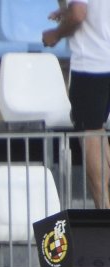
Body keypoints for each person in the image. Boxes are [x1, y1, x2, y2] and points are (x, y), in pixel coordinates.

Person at [44, 0, 110, 208]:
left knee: (90, 133)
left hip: (92, 64)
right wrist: (67, 10)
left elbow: (79, 14)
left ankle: (103, 208)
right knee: (99, 131)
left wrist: (56, 34)